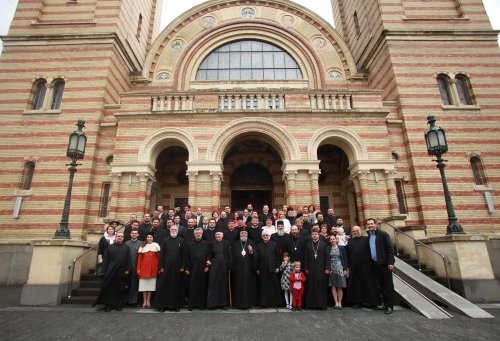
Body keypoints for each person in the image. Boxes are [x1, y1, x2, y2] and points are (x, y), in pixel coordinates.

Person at [94, 232, 131, 312]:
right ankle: (108, 305)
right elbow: (106, 260)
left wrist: (127, 269)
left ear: (123, 238)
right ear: (115, 237)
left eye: (121, 236)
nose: (120, 237)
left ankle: (118, 305)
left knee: (119, 289)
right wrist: (104, 271)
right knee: (109, 289)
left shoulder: (126, 247)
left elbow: (129, 260)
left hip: (122, 272)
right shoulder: (110, 247)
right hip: (110, 272)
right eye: (118, 236)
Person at [345, 225, 381, 308]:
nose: (355, 232)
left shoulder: (366, 239)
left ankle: (372, 302)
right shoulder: (350, 241)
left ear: (360, 231)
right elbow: (348, 254)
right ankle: (357, 301)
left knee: (369, 283)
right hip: (355, 266)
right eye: (354, 231)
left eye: (357, 230)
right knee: (356, 284)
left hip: (367, 266)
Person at [367, 218, 395, 314]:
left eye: (371, 224)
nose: (370, 225)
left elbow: (390, 249)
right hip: (375, 264)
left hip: (384, 264)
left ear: (375, 224)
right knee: (381, 285)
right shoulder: (369, 236)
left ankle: (390, 306)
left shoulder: (383, 234)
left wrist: (391, 262)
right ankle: (385, 304)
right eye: (368, 224)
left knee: (388, 285)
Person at [155, 225, 184, 312]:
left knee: (176, 286)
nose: (174, 230)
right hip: (166, 267)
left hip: (177, 268)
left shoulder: (181, 240)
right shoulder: (164, 240)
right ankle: (162, 305)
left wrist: (182, 266)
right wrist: (161, 266)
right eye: (172, 229)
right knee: (164, 286)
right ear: (170, 230)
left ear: (177, 231)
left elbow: (183, 255)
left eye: (175, 229)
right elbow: (161, 254)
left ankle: (176, 305)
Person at [184, 227, 211, 310]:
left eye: (200, 233)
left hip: (202, 269)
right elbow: (187, 257)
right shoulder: (189, 244)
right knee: (192, 287)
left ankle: (201, 304)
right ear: (194, 234)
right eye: (196, 233)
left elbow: (209, 256)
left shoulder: (206, 243)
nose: (198, 234)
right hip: (192, 268)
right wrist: (187, 268)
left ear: (202, 234)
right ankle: (191, 304)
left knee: (202, 286)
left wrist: (207, 266)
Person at [255, 230, 282, 308]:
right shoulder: (258, 245)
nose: (265, 236)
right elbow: (257, 258)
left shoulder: (274, 244)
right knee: (263, 286)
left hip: (272, 269)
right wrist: (257, 268)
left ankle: (274, 303)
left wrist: (277, 267)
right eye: (264, 235)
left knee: (273, 286)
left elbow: (278, 257)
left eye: (267, 235)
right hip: (262, 269)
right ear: (261, 236)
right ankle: (264, 303)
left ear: (269, 236)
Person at [231, 229, 257, 309]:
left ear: (247, 234)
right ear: (239, 234)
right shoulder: (235, 244)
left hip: (248, 269)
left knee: (248, 285)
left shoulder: (251, 243)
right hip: (238, 269)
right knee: (238, 285)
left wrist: (251, 250)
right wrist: (233, 267)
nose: (243, 234)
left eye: (245, 233)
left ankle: (249, 303)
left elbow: (256, 255)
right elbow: (232, 256)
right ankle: (238, 303)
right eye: (242, 233)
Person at [304, 227, 330, 310]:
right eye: (313, 234)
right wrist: (306, 267)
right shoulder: (308, 245)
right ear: (311, 236)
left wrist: (327, 268)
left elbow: (327, 257)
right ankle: (312, 304)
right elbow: (306, 257)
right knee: (312, 286)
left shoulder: (323, 244)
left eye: (316, 234)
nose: (314, 236)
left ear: (318, 235)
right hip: (311, 269)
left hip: (322, 268)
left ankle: (321, 304)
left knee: (321, 287)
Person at [207, 232, 232, 309]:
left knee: (223, 285)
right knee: (213, 284)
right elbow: (209, 254)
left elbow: (229, 255)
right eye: (216, 235)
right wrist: (208, 260)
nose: (217, 236)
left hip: (224, 267)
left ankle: (223, 304)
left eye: (219, 235)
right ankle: (212, 304)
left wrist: (229, 266)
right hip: (214, 266)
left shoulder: (226, 243)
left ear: (222, 235)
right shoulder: (211, 243)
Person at [136, 233, 160, 309]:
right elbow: (139, 260)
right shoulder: (142, 246)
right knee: (143, 287)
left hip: (153, 269)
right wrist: (138, 269)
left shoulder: (156, 245)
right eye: (148, 237)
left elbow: (158, 259)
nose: (149, 238)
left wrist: (159, 268)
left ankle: (148, 301)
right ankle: (144, 301)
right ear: (146, 238)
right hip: (144, 269)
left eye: (151, 237)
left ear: (153, 238)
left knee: (150, 287)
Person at [327, 235, 348, 309]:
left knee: (340, 286)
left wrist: (345, 269)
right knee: (333, 285)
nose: (332, 240)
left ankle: (340, 302)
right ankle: (336, 302)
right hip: (331, 268)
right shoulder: (328, 248)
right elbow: (327, 259)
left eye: (334, 239)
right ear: (329, 240)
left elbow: (345, 258)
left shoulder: (341, 248)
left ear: (336, 240)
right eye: (331, 239)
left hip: (340, 268)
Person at [124, 227, 141, 307]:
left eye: (135, 233)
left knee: (135, 285)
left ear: (138, 235)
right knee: (127, 284)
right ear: (130, 234)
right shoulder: (126, 243)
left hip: (136, 267)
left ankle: (133, 301)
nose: (134, 234)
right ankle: (126, 300)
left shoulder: (141, 243)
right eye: (132, 233)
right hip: (127, 266)